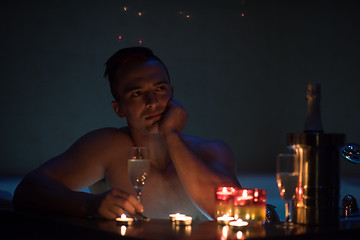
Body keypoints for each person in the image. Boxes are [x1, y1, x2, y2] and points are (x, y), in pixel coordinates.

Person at [13, 47, 240, 221]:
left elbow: (234, 212)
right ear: (119, 109)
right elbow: (29, 189)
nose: (152, 103)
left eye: (160, 89)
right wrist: (89, 205)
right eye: (137, 93)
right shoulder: (109, 147)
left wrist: (171, 135)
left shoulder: (210, 151)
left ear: (172, 93)